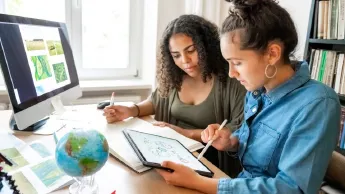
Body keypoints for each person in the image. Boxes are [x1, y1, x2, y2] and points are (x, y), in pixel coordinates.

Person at [155, 0, 341, 193]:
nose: (231, 73)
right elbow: (251, 145)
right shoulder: (256, 93)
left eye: (237, 62)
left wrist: (199, 182)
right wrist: (231, 142)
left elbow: (291, 189)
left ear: (272, 53)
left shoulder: (318, 104)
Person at [103, 14, 247, 177]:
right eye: (176, 55)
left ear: (206, 46)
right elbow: (157, 100)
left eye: (191, 51)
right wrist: (131, 110)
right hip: (175, 157)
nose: (185, 60)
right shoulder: (176, 77)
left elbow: (239, 132)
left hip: (211, 167)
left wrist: (186, 133)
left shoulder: (233, 80)